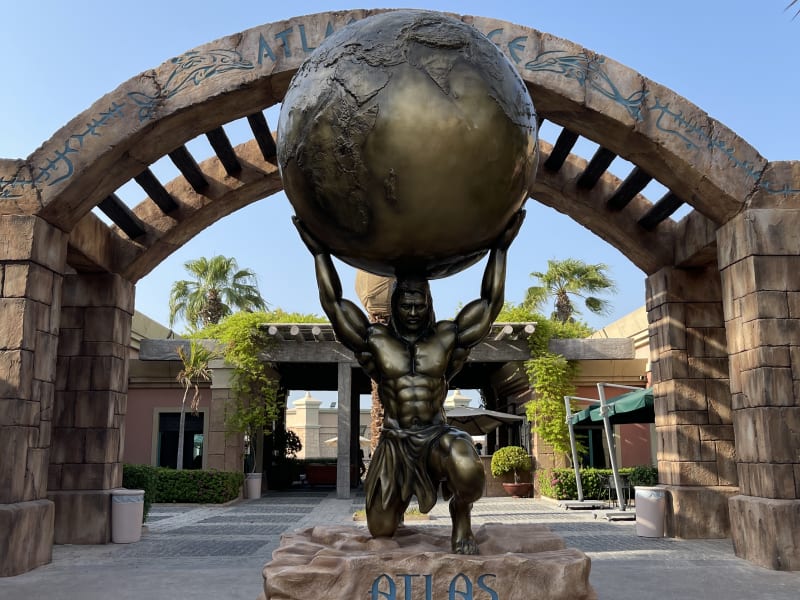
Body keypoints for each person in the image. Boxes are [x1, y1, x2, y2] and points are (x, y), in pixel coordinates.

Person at [294, 210, 524, 554]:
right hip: (396, 441)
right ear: (395, 305)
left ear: (428, 304)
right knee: (381, 529)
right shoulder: (375, 341)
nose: (413, 312)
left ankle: (461, 515)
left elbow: (490, 304)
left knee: (468, 468)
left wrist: (500, 250)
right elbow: (335, 304)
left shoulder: (446, 338)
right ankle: (396, 503)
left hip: (436, 436)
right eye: (406, 305)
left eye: (419, 305)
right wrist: (319, 253)